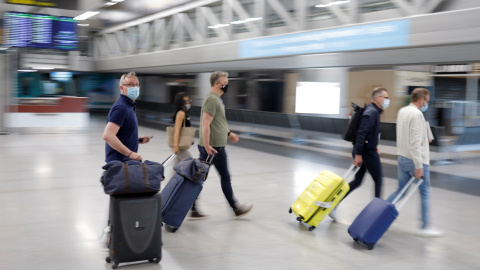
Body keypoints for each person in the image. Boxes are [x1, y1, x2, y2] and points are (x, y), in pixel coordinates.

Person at [386, 88, 443, 237]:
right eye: (427, 101)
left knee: (401, 191)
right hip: (416, 160)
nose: (427, 104)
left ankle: (381, 213)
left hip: (402, 158)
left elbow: (406, 134)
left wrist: (425, 137)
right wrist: (419, 166)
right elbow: (415, 143)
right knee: (425, 192)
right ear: (421, 100)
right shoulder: (417, 114)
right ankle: (425, 227)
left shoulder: (403, 111)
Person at [197, 71, 253, 217]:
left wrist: (229, 133)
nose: (227, 85)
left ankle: (193, 208)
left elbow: (218, 122)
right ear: (217, 83)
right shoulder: (212, 100)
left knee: (199, 178)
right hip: (214, 148)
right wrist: (208, 145)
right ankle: (235, 207)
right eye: (225, 82)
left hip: (212, 146)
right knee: (224, 177)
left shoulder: (216, 99)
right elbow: (205, 123)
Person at [329, 87, 389, 220]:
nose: (387, 100)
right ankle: (376, 215)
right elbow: (361, 133)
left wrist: (374, 145)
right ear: (378, 98)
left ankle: (333, 205)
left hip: (365, 150)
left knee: (357, 181)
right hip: (366, 152)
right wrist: (358, 154)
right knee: (379, 180)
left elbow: (370, 133)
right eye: (386, 97)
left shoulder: (374, 111)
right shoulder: (372, 112)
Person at [166, 92, 207, 218]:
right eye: (185, 101)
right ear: (180, 103)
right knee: (196, 172)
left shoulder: (183, 113)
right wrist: (176, 146)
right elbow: (177, 129)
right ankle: (193, 208)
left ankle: (166, 200)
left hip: (181, 148)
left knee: (174, 177)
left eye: (188, 100)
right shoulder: (181, 113)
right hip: (181, 149)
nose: (188, 103)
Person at [103, 71, 151, 162]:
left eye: (137, 85)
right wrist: (130, 154)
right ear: (122, 88)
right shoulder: (121, 108)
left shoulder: (129, 106)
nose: (135, 87)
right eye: (131, 85)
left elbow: (121, 134)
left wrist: (136, 140)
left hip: (125, 162)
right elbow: (108, 135)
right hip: (119, 163)